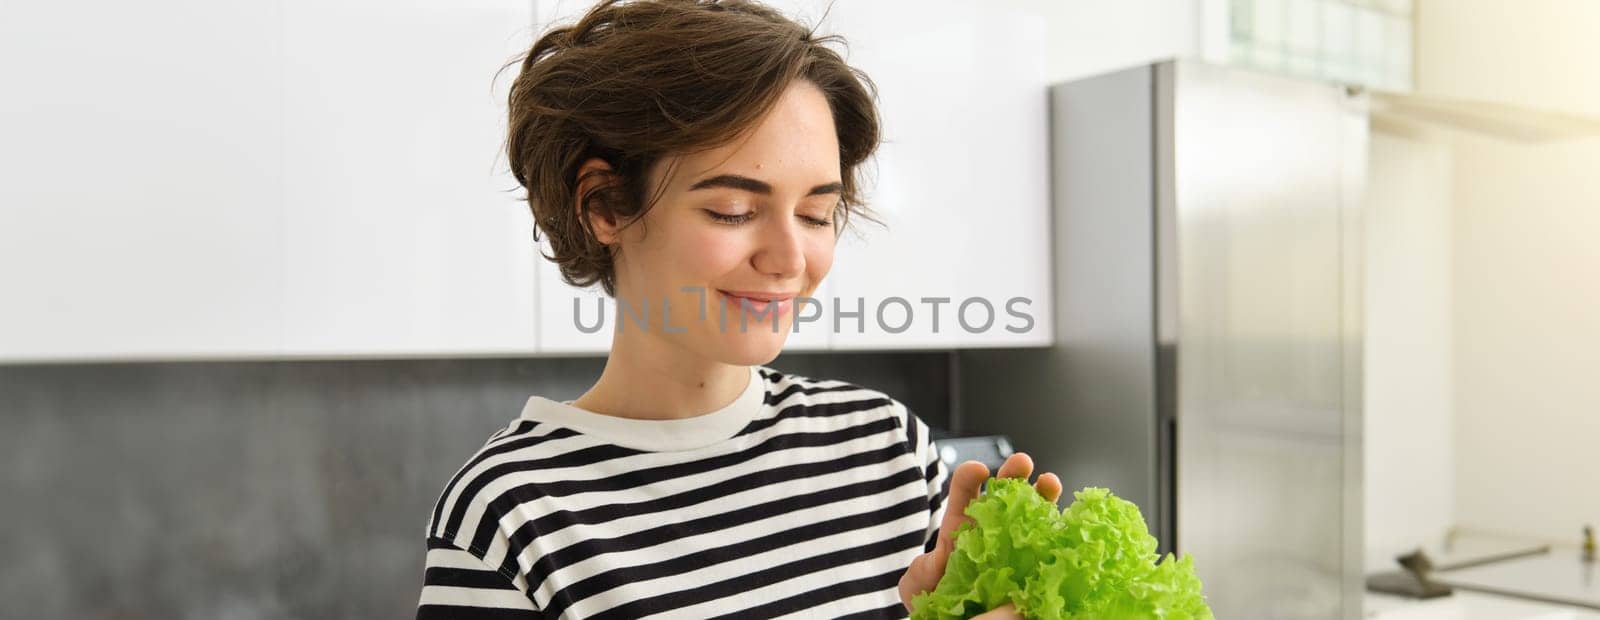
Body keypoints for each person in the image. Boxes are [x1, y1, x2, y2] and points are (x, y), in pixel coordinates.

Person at [415, 1, 1061, 617]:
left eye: (815, 214)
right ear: (605, 204)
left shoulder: (889, 450)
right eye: (735, 210)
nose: (788, 258)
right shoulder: (510, 518)